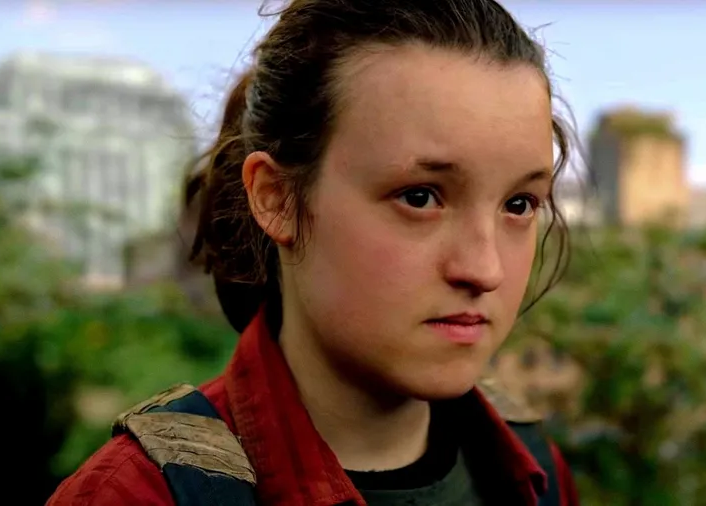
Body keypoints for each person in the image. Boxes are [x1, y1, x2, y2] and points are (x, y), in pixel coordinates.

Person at [47, 0, 580, 504]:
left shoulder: (533, 470)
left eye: (519, 204)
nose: (484, 269)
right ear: (276, 198)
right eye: (420, 197)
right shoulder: (138, 494)